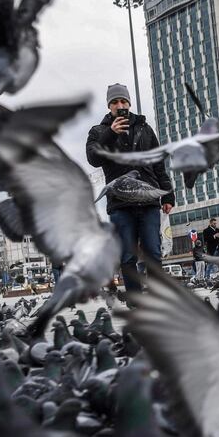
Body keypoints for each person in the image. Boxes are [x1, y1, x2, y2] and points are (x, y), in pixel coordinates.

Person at [86, 83, 175, 292]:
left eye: (123, 101)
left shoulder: (145, 128)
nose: (120, 105)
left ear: (129, 103)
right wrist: (111, 134)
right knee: (127, 255)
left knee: (153, 251)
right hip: (120, 203)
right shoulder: (98, 131)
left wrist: (168, 195)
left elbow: (158, 163)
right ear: (109, 106)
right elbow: (93, 159)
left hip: (148, 199)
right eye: (115, 102)